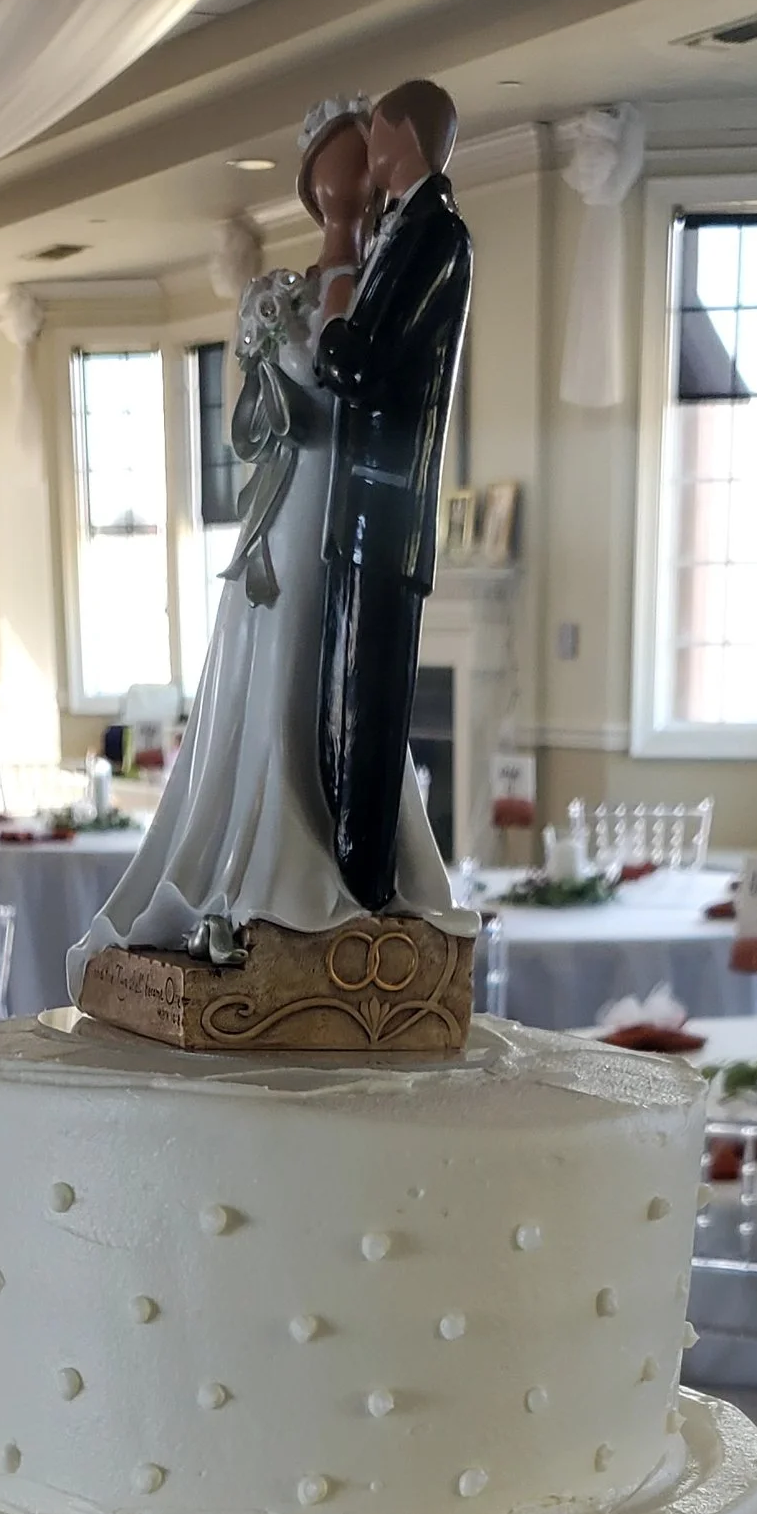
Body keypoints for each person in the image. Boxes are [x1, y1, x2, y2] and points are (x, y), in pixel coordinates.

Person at [67, 96, 470, 989]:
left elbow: (381, 373)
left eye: (362, 160)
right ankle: (270, 859)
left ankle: (351, 867)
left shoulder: (409, 255)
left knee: (350, 695)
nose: (353, 180)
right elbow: (259, 423)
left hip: (356, 516)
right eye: (338, 167)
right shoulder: (282, 294)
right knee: (291, 670)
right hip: (298, 516)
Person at [313, 76, 472, 912]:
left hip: (388, 510)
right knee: (338, 716)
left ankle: (362, 907)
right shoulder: (398, 227)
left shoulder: (438, 235)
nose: (369, 149)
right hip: (361, 512)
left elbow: (360, 364)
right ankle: (341, 898)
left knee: (370, 723)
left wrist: (335, 316)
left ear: (403, 138)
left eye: (375, 132)